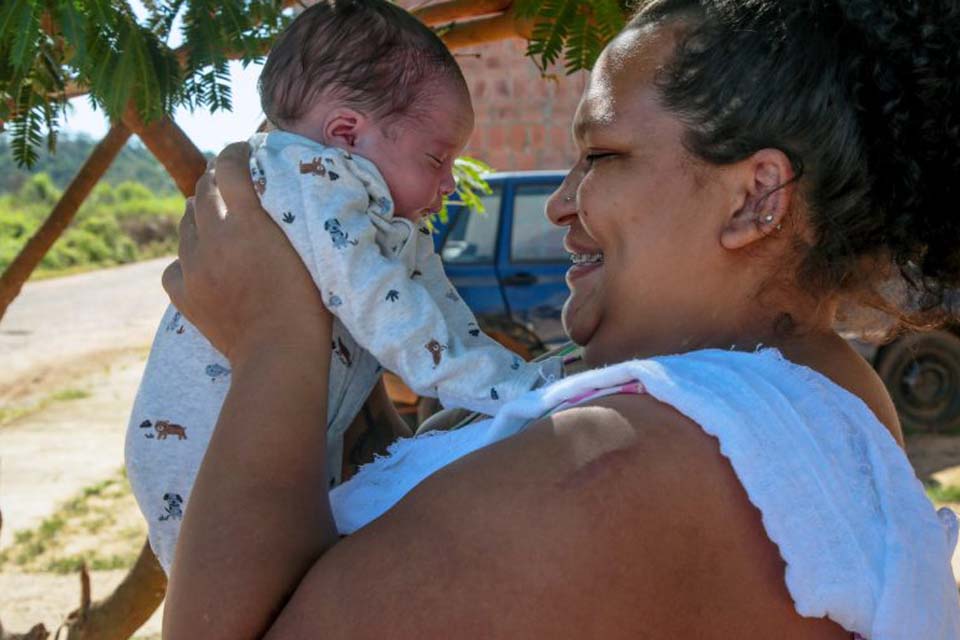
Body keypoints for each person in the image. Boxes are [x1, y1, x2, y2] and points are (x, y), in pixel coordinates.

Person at [160, 0, 960, 637]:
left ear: (755, 198)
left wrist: (276, 338)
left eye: (603, 156)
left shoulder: (618, 473)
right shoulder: (828, 393)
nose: (559, 201)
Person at [125, 0, 562, 573]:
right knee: (237, 586)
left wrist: (515, 381)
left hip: (288, 436)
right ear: (346, 133)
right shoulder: (303, 176)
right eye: (438, 157)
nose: (451, 182)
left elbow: (443, 317)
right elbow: (387, 312)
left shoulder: (385, 215)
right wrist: (516, 394)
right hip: (198, 450)